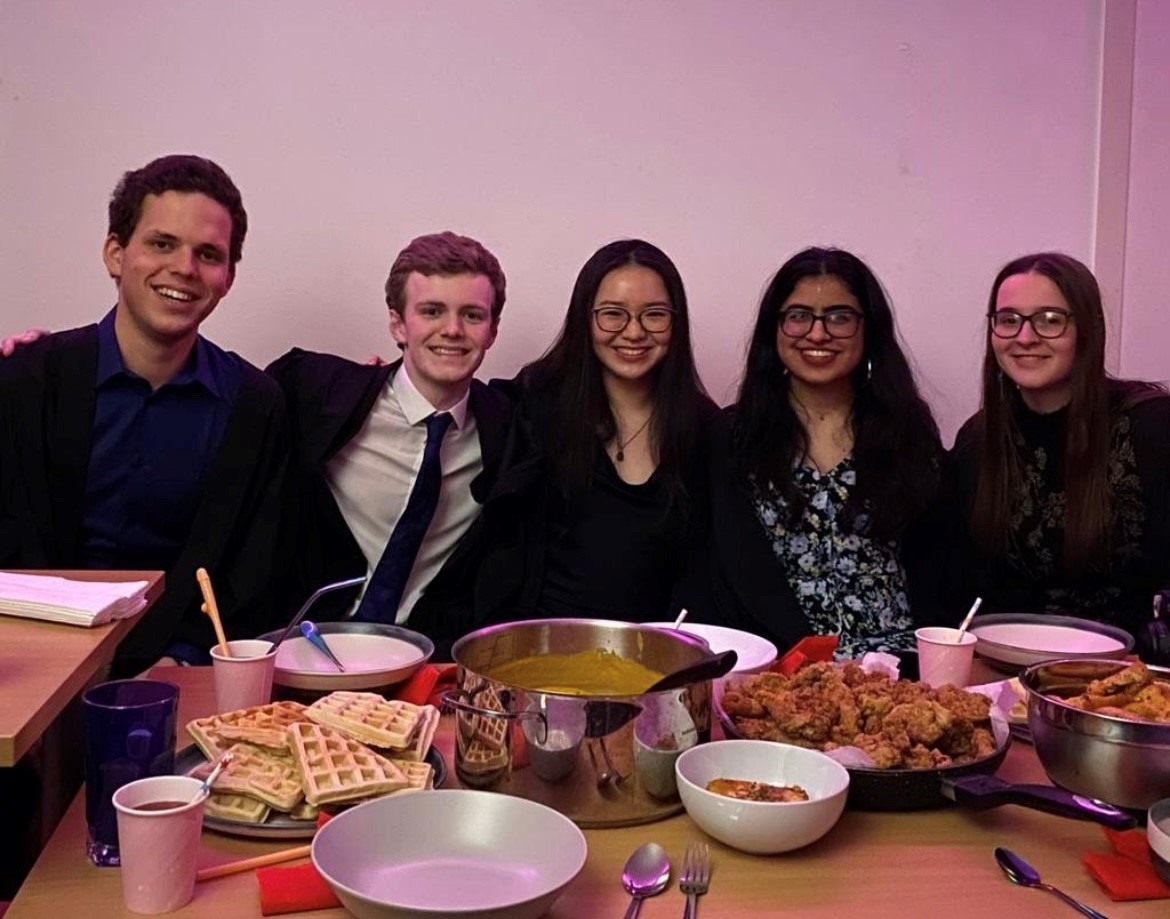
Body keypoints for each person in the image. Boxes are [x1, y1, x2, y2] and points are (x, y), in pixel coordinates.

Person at [0, 155, 291, 675]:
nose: (184, 268)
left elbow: (253, 572)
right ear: (115, 254)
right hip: (24, 667)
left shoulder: (254, 405)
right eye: (162, 244)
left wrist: (181, 657)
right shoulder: (27, 381)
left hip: (174, 674)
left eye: (208, 254)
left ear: (227, 278)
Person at [414, 238, 717, 643]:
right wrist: (376, 384)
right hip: (532, 655)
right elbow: (449, 401)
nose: (633, 332)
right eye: (612, 314)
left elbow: (706, 568)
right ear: (584, 319)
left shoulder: (703, 427)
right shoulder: (534, 402)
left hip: (650, 664)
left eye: (655, 315)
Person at [685, 247, 947, 658]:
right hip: (775, 669)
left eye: (840, 317)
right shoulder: (733, 437)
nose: (819, 333)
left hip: (897, 670)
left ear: (869, 329)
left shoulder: (907, 432)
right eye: (799, 316)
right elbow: (722, 577)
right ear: (774, 329)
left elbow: (937, 568)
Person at [266, 232, 512, 640]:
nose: (452, 330)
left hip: (427, 658)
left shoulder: (509, 427)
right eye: (432, 311)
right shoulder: (319, 395)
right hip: (308, 644)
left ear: (492, 330)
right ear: (398, 323)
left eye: (472, 315)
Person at [950, 252, 1170, 636]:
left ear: (1086, 329)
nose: (1025, 337)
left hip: (1134, 673)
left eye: (1050, 320)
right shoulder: (977, 442)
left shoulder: (1151, 425)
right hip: (1011, 668)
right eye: (1008, 320)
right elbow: (967, 586)